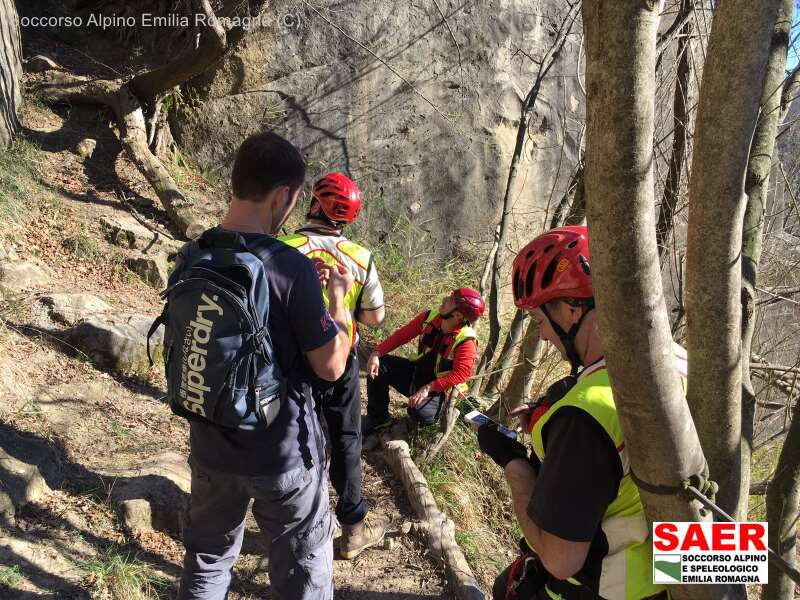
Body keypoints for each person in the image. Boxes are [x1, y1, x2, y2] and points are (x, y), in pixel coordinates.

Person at [176, 132, 354, 600]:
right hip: (282, 456)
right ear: (282, 196)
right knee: (301, 572)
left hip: (210, 443)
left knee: (208, 562)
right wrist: (337, 302)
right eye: (293, 201)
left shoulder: (193, 255)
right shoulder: (288, 266)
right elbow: (331, 366)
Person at [475, 225, 682, 600]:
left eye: (540, 322)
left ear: (571, 311)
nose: (542, 336)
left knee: (509, 586)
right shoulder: (684, 362)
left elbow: (560, 560)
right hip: (677, 580)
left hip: (606, 588)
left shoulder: (585, 416)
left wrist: (515, 466)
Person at [279, 172, 387, 560]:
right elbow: (374, 318)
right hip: (341, 359)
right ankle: (353, 528)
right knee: (345, 439)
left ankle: (294, 518)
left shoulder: (284, 247)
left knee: (292, 433)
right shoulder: (360, 257)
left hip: (293, 361)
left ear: (315, 203)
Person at [362, 288, 485, 435]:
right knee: (380, 365)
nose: (445, 298)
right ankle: (379, 419)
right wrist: (377, 352)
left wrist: (429, 388)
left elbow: (462, 373)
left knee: (420, 413)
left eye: (451, 300)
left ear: (458, 315)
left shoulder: (466, 340)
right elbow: (402, 335)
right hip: (417, 372)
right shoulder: (431, 317)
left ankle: (420, 424)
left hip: (440, 390)